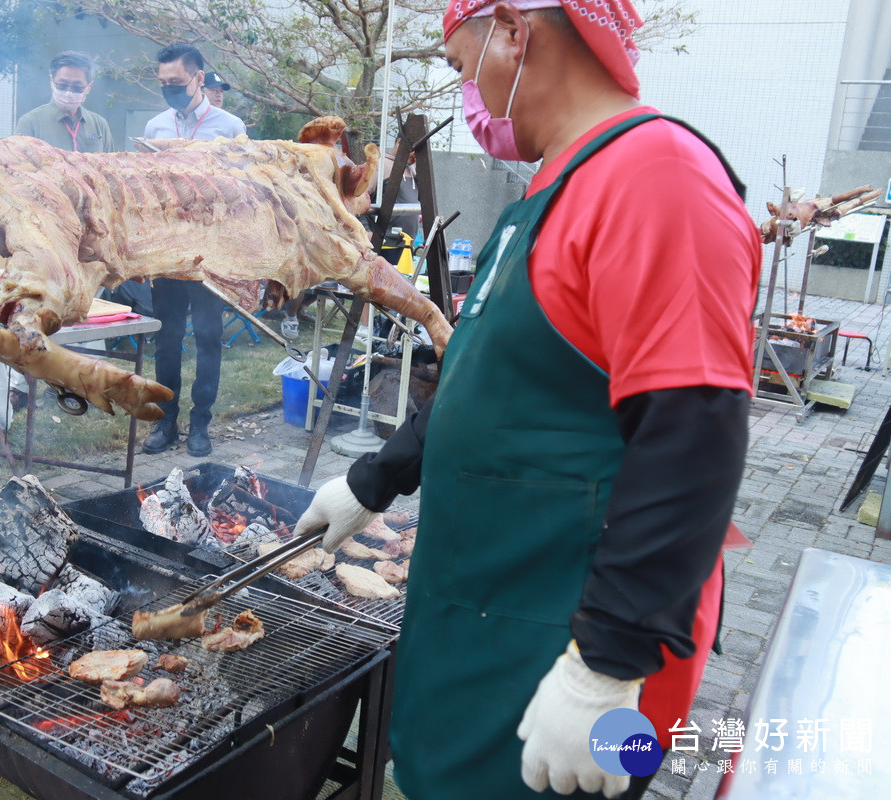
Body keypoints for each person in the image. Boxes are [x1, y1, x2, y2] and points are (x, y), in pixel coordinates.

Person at [293, 2, 761, 798]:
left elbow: (694, 434)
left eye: (457, 66)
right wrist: (375, 479)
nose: (463, 93)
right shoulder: (552, 183)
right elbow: (496, 376)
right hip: (486, 609)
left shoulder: (657, 178)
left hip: (563, 634)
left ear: (513, 30)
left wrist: (606, 666)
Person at [140, 43, 246, 457]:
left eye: (177, 83)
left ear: (199, 77)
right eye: (164, 83)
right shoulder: (155, 127)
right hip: (167, 250)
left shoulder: (229, 126)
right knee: (166, 338)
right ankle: (166, 420)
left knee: (207, 335)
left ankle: (201, 423)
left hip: (209, 250)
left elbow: (242, 191)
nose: (170, 89)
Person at [15, 50, 114, 153]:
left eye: (77, 87)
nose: (69, 92)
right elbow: (17, 165)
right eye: (62, 85)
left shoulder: (99, 124)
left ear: (89, 87)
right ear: (51, 81)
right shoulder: (30, 122)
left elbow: (113, 166)